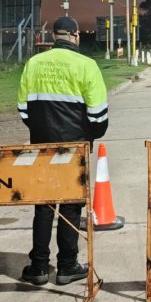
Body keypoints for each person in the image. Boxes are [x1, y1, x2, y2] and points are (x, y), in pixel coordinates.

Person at [16, 17, 109, 286]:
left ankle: (39, 267)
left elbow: (23, 110)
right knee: (70, 207)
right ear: (75, 35)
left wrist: (41, 133)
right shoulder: (86, 65)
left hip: (42, 147)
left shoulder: (34, 63)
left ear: (55, 36)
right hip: (75, 148)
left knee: (43, 207)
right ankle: (67, 265)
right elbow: (98, 116)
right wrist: (89, 137)